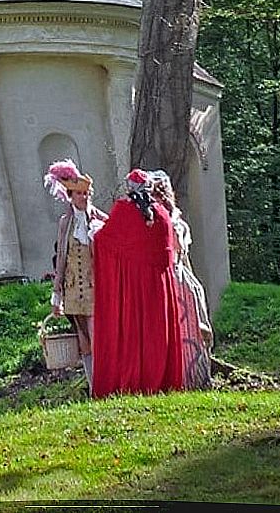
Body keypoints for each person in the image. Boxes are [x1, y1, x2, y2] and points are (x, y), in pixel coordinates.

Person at [90, 169, 185, 399]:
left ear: (129, 189)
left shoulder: (123, 211)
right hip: (158, 291)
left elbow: (105, 241)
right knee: (156, 334)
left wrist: (96, 229)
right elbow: (165, 255)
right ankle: (160, 379)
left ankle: (131, 381)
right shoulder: (162, 214)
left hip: (132, 291)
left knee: (132, 333)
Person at [44, 160, 108, 388]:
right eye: (79, 194)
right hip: (73, 290)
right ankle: (93, 386)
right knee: (84, 342)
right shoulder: (66, 223)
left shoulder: (99, 219)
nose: (84, 197)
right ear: (70, 196)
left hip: (94, 288)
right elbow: (61, 257)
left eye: (86, 193)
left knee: (98, 337)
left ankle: (104, 384)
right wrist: (56, 296)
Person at [150, 170, 214, 389]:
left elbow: (180, 252)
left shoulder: (175, 221)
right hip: (162, 279)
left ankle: (192, 377)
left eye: (158, 194)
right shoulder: (153, 219)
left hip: (177, 278)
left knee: (188, 326)